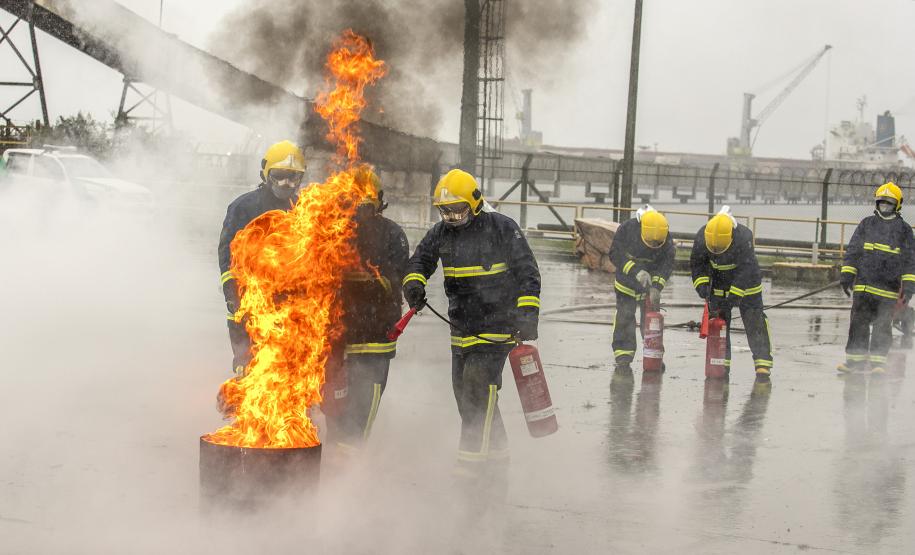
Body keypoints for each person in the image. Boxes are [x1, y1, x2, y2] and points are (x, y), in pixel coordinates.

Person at [402, 168, 541, 475]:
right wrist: (413, 283)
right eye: (445, 212)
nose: (451, 218)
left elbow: (528, 273)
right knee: (468, 401)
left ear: (475, 204)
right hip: (461, 331)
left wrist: (528, 313)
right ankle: (498, 457)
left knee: (478, 390)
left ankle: (470, 473)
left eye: (457, 211)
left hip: (497, 330)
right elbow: (420, 260)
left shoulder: (502, 228)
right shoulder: (440, 233)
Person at [329, 168, 410, 450]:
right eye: (353, 199)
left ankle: (350, 474)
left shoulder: (392, 235)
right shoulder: (331, 231)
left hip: (374, 340)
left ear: (379, 201)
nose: (360, 206)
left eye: (366, 199)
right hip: (337, 342)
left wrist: (361, 281)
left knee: (360, 416)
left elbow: (394, 281)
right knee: (333, 411)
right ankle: (328, 469)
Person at [217, 140, 306, 376]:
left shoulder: (305, 209)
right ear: (265, 174)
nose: (287, 184)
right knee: (249, 364)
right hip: (249, 297)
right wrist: (231, 290)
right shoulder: (244, 207)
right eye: (280, 176)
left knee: (293, 366)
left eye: (294, 178)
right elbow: (227, 252)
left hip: (290, 302)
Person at [838, 182, 915, 374]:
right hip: (863, 289)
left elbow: (909, 261)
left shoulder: (904, 230)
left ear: (897, 205)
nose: (885, 207)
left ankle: (878, 363)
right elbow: (853, 250)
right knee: (858, 325)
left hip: (887, 291)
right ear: (877, 203)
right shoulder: (866, 224)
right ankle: (854, 361)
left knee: (882, 327)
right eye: (882, 203)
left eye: (889, 204)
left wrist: (909, 286)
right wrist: (847, 274)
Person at [690, 206, 773, 381]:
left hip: (748, 286)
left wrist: (734, 296)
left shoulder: (743, 237)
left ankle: (762, 364)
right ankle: (720, 365)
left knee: (754, 322)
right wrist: (702, 287)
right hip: (718, 285)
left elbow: (746, 269)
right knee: (718, 326)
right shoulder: (702, 237)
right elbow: (698, 265)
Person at [608, 205, 675, 371]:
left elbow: (667, 264)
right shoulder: (628, 229)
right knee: (625, 318)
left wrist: (657, 287)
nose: (653, 245)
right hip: (626, 285)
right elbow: (615, 254)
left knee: (652, 323)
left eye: (656, 243)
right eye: (651, 242)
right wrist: (635, 271)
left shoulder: (664, 236)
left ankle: (653, 356)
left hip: (649, 289)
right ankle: (623, 357)